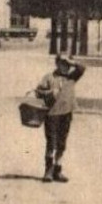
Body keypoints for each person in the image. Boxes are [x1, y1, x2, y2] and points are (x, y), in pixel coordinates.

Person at [36, 53, 86, 183]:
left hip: (66, 113)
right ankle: (48, 170)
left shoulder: (72, 77)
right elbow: (37, 91)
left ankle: (58, 170)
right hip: (51, 114)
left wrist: (71, 61)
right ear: (57, 64)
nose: (65, 67)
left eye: (67, 64)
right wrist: (49, 93)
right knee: (51, 142)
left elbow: (82, 68)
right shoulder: (49, 77)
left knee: (62, 143)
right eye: (62, 64)